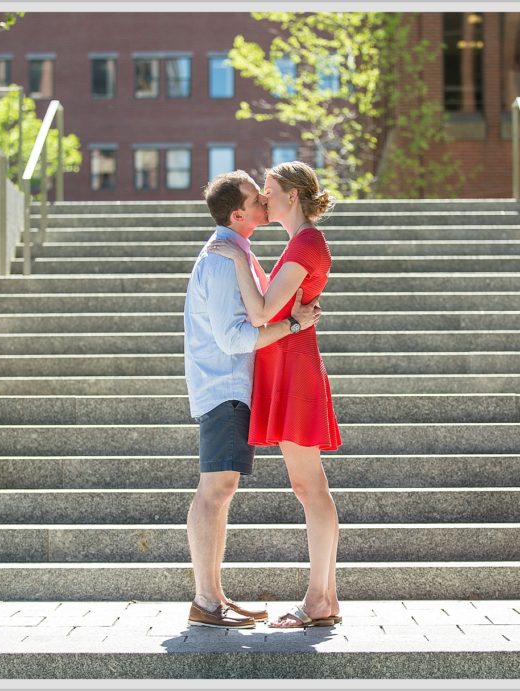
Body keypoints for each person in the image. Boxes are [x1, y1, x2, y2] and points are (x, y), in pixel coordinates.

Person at [184, 170, 322, 629]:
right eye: (255, 197)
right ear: (239, 214)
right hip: (225, 388)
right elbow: (233, 338)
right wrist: (295, 326)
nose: (265, 199)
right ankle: (205, 601)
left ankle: (213, 597)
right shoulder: (223, 259)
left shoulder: (237, 252)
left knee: (221, 490)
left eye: (267, 194)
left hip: (235, 389)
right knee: (216, 488)